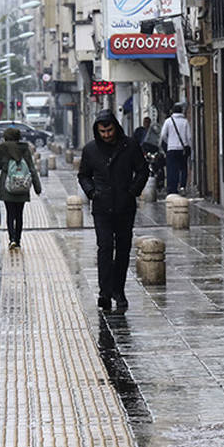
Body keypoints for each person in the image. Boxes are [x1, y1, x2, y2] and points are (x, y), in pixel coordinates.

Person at [77, 109, 149, 312]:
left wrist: (132, 191)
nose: (107, 135)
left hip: (125, 206)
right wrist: (92, 192)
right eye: (102, 132)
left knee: (123, 249)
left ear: (115, 128)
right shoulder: (91, 150)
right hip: (102, 207)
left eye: (109, 130)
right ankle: (105, 292)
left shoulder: (130, 146)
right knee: (105, 247)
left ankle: (119, 290)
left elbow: (143, 170)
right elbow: (83, 175)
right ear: (97, 131)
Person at [0, 127, 42, 249]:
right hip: (22, 185)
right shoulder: (25, 148)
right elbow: (31, 168)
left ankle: (12, 239)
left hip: (7, 185)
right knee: (19, 214)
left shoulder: (3, 148)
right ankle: (18, 240)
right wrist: (37, 187)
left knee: (10, 213)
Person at [159, 102, 191, 194]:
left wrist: (169, 142)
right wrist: (188, 146)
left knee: (172, 169)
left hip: (171, 149)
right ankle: (182, 187)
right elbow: (189, 137)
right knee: (183, 168)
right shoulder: (185, 122)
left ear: (172, 111)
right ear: (181, 111)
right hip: (182, 149)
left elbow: (163, 135)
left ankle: (172, 188)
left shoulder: (168, 121)